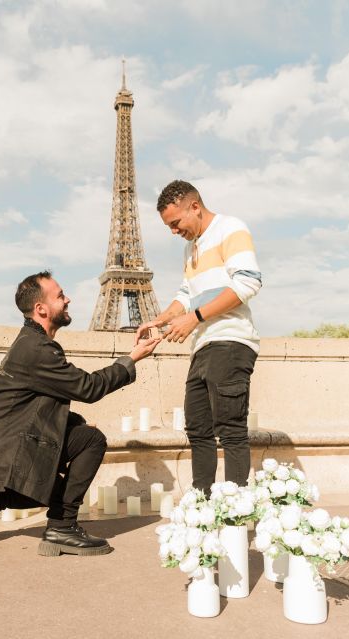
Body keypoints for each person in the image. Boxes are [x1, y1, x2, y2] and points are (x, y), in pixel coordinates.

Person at [0, 270, 161, 556]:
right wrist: (133, 357)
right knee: (91, 441)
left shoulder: (32, 343)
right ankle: (61, 527)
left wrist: (74, 422)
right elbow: (89, 388)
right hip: (10, 451)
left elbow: (36, 404)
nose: (68, 300)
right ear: (41, 308)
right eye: (60, 295)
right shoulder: (37, 349)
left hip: (7, 445)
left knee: (81, 442)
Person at [135, 180, 262, 491]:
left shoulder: (231, 228)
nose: (174, 231)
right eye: (169, 226)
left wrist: (194, 318)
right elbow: (186, 295)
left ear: (195, 206)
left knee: (230, 429)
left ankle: (233, 513)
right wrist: (161, 319)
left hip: (230, 341)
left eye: (176, 223)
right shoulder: (189, 248)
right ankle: (202, 510)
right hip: (202, 346)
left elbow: (248, 284)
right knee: (198, 429)